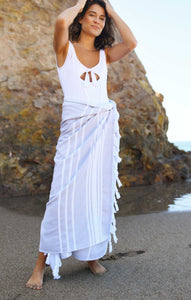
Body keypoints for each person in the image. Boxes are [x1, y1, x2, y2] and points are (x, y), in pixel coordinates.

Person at [26, 0, 137, 290]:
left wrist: (112, 12)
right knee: (60, 196)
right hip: (74, 132)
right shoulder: (65, 50)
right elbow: (61, 23)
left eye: (102, 17)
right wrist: (78, 4)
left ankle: (91, 256)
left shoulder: (104, 55)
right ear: (81, 17)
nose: (98, 21)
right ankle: (40, 266)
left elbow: (132, 42)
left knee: (95, 193)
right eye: (93, 15)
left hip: (101, 133)